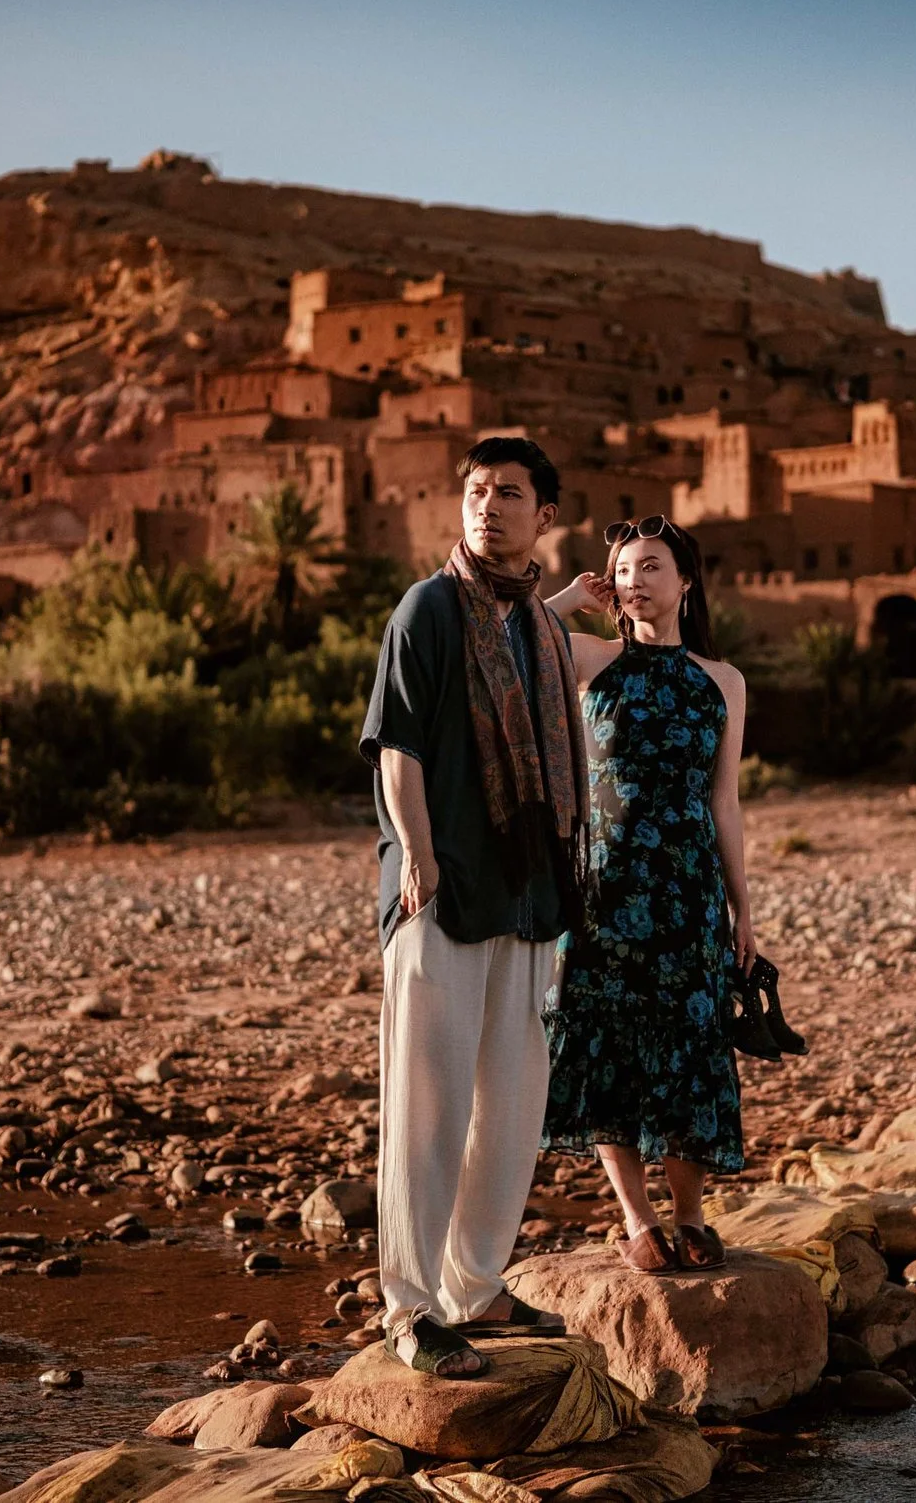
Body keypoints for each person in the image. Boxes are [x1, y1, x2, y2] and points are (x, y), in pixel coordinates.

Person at [358, 436, 580, 1378]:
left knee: (512, 1104)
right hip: (441, 893)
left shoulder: (541, 626)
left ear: (546, 518)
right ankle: (410, 1307)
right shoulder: (430, 610)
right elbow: (397, 743)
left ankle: (477, 1283)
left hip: (528, 895)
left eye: (511, 493)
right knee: (429, 1105)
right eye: (478, 491)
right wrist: (415, 851)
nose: (489, 506)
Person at [539, 515, 753, 1274]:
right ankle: (636, 1219)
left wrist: (743, 909)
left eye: (650, 566)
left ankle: (690, 1215)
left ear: (686, 582)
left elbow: (724, 801)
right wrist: (570, 594)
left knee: (691, 1047)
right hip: (600, 894)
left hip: (688, 895)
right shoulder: (594, 660)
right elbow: (515, 637)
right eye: (623, 569)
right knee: (606, 1051)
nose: (633, 580)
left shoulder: (722, 681)